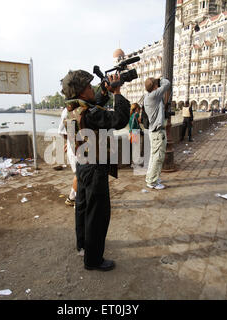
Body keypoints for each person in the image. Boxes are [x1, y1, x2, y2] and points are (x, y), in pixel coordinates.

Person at [61, 69, 130, 271]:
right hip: (94, 167)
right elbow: (119, 119)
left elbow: (93, 104)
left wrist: (105, 91)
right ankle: (93, 260)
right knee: (98, 214)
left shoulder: (73, 108)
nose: (93, 89)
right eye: (89, 87)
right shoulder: (89, 114)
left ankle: (83, 245)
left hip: (83, 165)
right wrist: (117, 93)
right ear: (82, 92)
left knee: (83, 208)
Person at [143, 77, 171, 190]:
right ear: (155, 87)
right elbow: (167, 83)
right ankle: (152, 182)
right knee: (157, 157)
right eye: (156, 84)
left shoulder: (149, 96)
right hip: (157, 132)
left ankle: (152, 177)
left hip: (154, 131)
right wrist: (160, 79)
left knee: (154, 157)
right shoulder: (154, 95)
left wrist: (156, 82)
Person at [58, 106, 77, 207]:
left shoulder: (73, 109)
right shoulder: (68, 111)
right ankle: (76, 202)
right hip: (76, 149)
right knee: (80, 175)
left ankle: (72, 198)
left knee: (80, 175)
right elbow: (63, 131)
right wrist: (71, 142)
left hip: (76, 148)